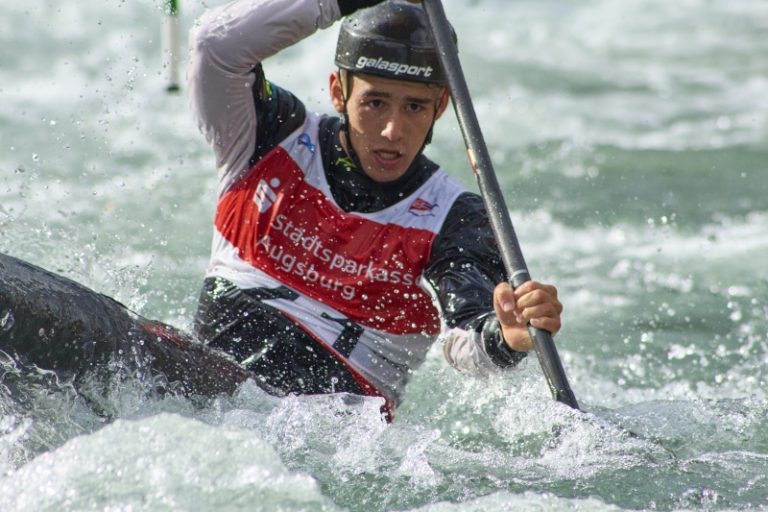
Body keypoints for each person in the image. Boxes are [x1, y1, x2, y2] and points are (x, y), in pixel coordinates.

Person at [187, 0, 563, 418]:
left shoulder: (455, 218)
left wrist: (505, 337)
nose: (392, 131)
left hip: (327, 431)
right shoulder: (267, 133)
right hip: (203, 388)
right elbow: (214, 45)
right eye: (374, 103)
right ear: (338, 92)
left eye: (415, 107)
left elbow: (468, 342)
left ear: (439, 108)